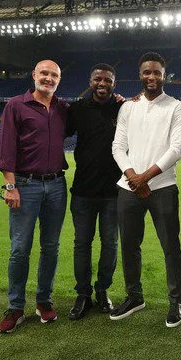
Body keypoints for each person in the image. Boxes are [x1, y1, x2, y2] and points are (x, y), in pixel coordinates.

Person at [110, 52, 181, 327]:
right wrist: (133, 177)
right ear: (140, 75)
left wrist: (146, 177)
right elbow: (118, 147)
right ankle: (134, 297)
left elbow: (178, 148)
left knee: (170, 246)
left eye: (156, 72)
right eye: (146, 72)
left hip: (163, 187)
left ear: (164, 75)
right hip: (128, 187)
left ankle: (176, 300)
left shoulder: (176, 107)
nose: (151, 77)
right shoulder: (128, 107)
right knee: (129, 245)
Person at [0, 59, 68, 334]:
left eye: (54, 75)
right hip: (25, 185)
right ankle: (15, 306)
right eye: (45, 73)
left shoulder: (63, 108)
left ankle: (43, 301)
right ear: (34, 75)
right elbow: (6, 149)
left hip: (57, 185)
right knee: (19, 248)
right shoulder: (16, 105)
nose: (49, 79)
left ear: (59, 80)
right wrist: (10, 186)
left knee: (51, 247)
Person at [65, 63, 124, 320]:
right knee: (82, 244)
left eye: (107, 80)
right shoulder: (77, 109)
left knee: (110, 243)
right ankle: (83, 294)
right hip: (83, 191)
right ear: (90, 81)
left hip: (114, 192)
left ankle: (102, 291)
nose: (102, 83)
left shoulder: (123, 108)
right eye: (97, 79)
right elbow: (56, 133)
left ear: (114, 83)